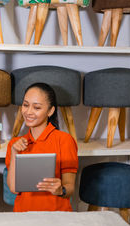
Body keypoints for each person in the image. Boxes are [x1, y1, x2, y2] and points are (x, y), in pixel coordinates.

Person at [6, 83, 78, 212]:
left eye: (37, 107)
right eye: (25, 105)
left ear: (50, 111)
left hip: (57, 215)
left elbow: (70, 188)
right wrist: (14, 152)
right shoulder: (15, 144)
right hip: (24, 214)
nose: (28, 112)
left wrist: (61, 190)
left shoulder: (65, 140)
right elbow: (14, 189)